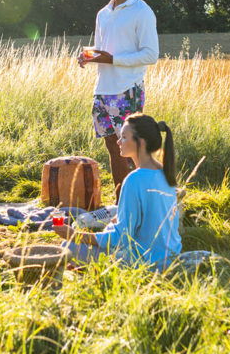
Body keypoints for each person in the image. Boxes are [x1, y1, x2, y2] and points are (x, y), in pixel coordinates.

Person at [52, 114, 181, 269]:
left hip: (144, 261)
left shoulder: (134, 179)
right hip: (170, 256)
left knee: (68, 245)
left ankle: (89, 266)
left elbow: (120, 239)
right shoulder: (165, 172)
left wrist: (74, 235)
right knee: (112, 220)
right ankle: (89, 267)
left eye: (124, 137)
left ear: (140, 143)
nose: (118, 141)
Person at [79, 0, 159, 201]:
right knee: (114, 149)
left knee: (133, 151)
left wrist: (111, 59)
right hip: (102, 89)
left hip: (127, 89)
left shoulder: (142, 12)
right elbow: (103, 48)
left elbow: (151, 54)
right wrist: (88, 55)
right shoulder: (103, 13)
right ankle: (121, 202)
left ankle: (147, 200)